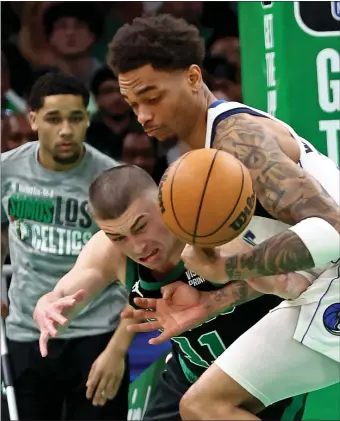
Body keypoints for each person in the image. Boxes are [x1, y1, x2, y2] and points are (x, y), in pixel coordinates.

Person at [106, 14, 340, 420]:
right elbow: (299, 269)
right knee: (204, 405)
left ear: (194, 77)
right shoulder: (205, 158)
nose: (142, 115)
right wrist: (214, 300)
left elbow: (332, 231)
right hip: (321, 284)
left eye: (152, 96)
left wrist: (227, 267)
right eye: (133, 104)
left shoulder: (238, 139)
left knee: (206, 405)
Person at [34, 165, 313, 421]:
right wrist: (47, 307)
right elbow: (61, 295)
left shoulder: (209, 226)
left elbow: (291, 284)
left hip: (262, 372)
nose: (137, 247)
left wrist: (216, 297)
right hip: (190, 372)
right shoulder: (110, 252)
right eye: (118, 237)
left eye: (140, 226)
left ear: (163, 203)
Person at [1, 72, 131, 420]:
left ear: (88, 119)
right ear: (32, 119)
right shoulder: (8, 170)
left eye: (75, 118)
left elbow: (137, 270)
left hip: (96, 335)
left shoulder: (111, 180)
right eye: (53, 119)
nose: (65, 130)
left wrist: (117, 350)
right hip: (25, 333)